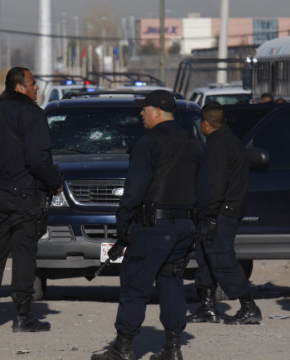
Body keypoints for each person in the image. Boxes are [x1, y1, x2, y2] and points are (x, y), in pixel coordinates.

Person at [92, 90, 202, 360]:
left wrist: (123, 224)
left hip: (153, 227)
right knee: (172, 283)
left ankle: (123, 348)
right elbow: (204, 190)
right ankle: (173, 348)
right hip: (183, 227)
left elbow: (135, 188)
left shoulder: (148, 143)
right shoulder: (195, 144)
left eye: (144, 109)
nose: (141, 113)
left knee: (135, 286)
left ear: (157, 111)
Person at [0, 67, 62, 332]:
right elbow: (38, 159)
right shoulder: (33, 115)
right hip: (23, 196)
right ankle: (22, 317)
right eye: (33, 84)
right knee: (24, 255)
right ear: (20, 87)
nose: (37, 89)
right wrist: (55, 182)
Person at [186, 103, 262, 326]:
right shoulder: (227, 141)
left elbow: (215, 185)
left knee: (222, 259)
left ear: (205, 124)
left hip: (220, 213)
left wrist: (210, 214)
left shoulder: (218, 145)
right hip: (218, 212)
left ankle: (249, 306)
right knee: (205, 258)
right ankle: (207, 307)